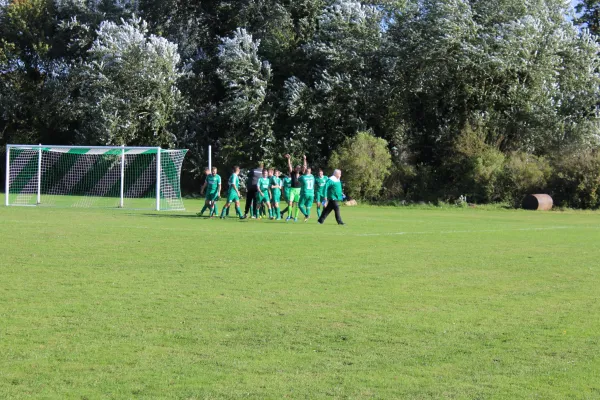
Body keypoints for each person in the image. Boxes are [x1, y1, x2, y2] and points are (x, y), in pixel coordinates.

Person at [285, 154, 307, 222]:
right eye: (297, 168)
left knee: (297, 204)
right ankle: (289, 216)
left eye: (299, 168)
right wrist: (288, 159)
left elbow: (304, 167)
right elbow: (289, 166)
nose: (298, 169)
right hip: (292, 190)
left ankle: (296, 217)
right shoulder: (292, 173)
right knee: (290, 203)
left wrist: (304, 159)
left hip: (299, 190)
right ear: (295, 169)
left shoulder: (301, 173)